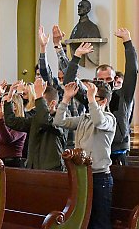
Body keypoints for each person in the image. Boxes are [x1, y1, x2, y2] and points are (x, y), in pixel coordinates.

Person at [64, 28, 138, 165]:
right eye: (101, 80)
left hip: (117, 152)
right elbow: (69, 83)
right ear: (95, 80)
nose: (105, 83)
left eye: (108, 79)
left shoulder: (123, 95)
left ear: (115, 79)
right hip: (94, 155)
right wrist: (76, 57)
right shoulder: (91, 96)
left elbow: (133, 71)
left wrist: (127, 42)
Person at [53, 81, 116, 229]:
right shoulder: (84, 118)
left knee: (99, 223)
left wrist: (92, 99)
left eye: (93, 96)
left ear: (104, 101)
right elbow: (58, 121)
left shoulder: (110, 119)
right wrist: (66, 99)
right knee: (83, 220)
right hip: (82, 176)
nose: (88, 99)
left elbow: (99, 121)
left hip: (100, 178)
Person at [4, 78, 66, 170]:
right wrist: (9, 98)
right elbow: (11, 121)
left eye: (40, 101)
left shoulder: (61, 118)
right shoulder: (36, 119)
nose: (37, 105)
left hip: (52, 168)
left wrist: (39, 96)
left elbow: (45, 121)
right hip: (33, 167)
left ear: (53, 103)